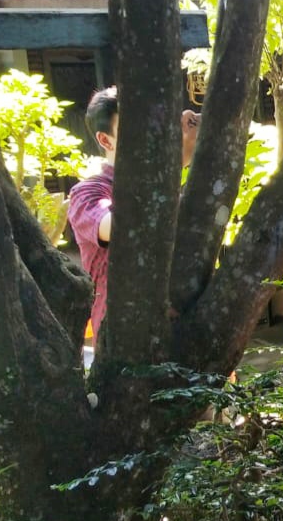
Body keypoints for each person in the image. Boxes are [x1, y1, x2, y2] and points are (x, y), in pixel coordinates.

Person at [67, 87, 199, 347]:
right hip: (128, 346)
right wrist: (172, 166)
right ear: (106, 140)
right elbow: (123, 227)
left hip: (185, 335)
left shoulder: (170, 189)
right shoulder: (88, 193)